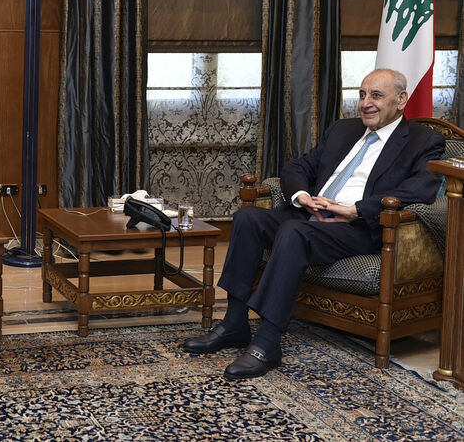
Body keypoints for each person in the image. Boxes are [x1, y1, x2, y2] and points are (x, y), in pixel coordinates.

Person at [182, 68, 445, 380]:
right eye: (361, 94)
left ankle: (267, 342)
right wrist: (304, 197)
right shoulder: (344, 130)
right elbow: (298, 166)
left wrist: (355, 210)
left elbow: (420, 190)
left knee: (293, 232)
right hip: (310, 215)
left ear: (401, 100)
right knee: (248, 217)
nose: (365, 103)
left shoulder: (423, 141)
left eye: (376, 95)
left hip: (358, 227)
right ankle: (234, 322)